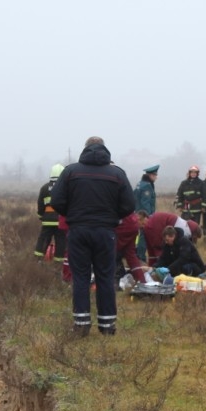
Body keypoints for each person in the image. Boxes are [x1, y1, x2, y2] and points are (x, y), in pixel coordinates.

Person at [51, 136, 136, 336]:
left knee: (80, 277)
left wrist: (72, 214)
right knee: (105, 277)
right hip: (106, 232)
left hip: (78, 231)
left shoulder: (71, 171)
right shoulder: (117, 173)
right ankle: (107, 326)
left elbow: (56, 200)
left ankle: (81, 325)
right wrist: (113, 216)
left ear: (85, 149)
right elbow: (129, 205)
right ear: (105, 149)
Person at [35, 163, 66, 260]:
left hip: (47, 220)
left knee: (43, 239)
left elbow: (40, 204)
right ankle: (58, 262)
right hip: (61, 220)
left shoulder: (44, 188)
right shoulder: (66, 187)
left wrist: (41, 215)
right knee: (61, 241)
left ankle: (38, 260)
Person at [115, 212, 149, 284]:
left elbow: (130, 254)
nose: (143, 227)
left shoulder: (133, 229)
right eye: (143, 224)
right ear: (138, 219)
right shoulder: (132, 225)